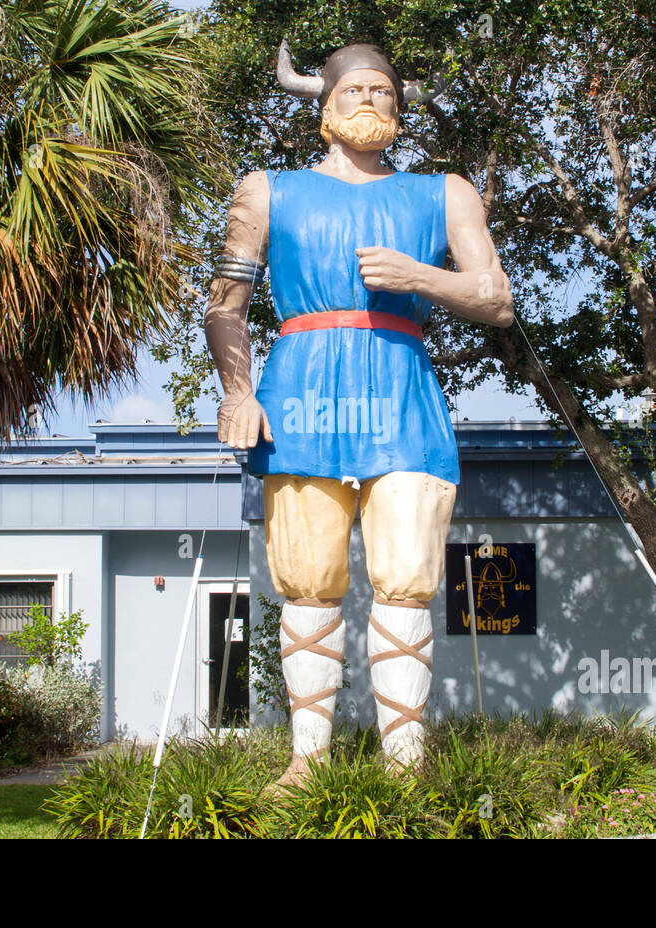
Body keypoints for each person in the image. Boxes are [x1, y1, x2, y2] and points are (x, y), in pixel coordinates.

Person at [204, 39, 513, 787]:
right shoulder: (267, 190)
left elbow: (497, 298)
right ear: (323, 109)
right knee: (307, 581)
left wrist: (419, 277)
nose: (370, 101)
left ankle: (405, 768)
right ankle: (307, 764)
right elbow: (225, 308)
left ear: (401, 113)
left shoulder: (445, 194)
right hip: (300, 399)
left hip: (403, 399)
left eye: (384, 93)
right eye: (355, 91)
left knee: (407, 578)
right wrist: (239, 393)